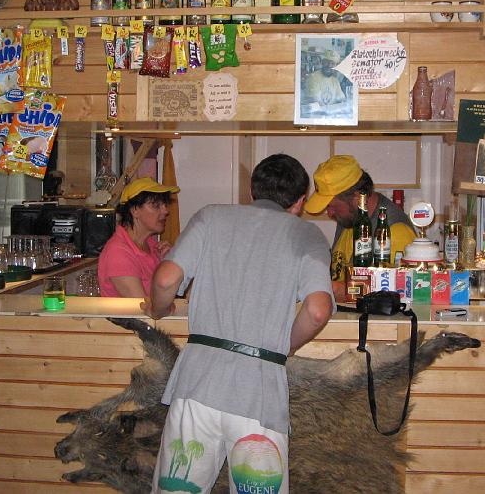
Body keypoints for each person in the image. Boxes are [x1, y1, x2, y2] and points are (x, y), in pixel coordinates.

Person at [145, 153, 334, 494]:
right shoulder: (307, 235)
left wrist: (159, 310)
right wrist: (286, 346)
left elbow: (165, 280)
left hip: (197, 384)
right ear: (299, 202)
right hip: (260, 394)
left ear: (251, 190)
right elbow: (318, 310)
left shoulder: (211, 217)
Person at [304, 155, 417, 302]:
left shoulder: (395, 231)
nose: (330, 213)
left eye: (332, 206)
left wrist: (340, 290)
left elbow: (397, 293)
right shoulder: (351, 218)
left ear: (357, 198)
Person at [97, 177, 180, 298]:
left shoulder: (152, 245)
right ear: (135, 210)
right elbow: (141, 305)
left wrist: (170, 262)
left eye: (164, 204)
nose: (165, 211)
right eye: (156, 205)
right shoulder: (118, 253)